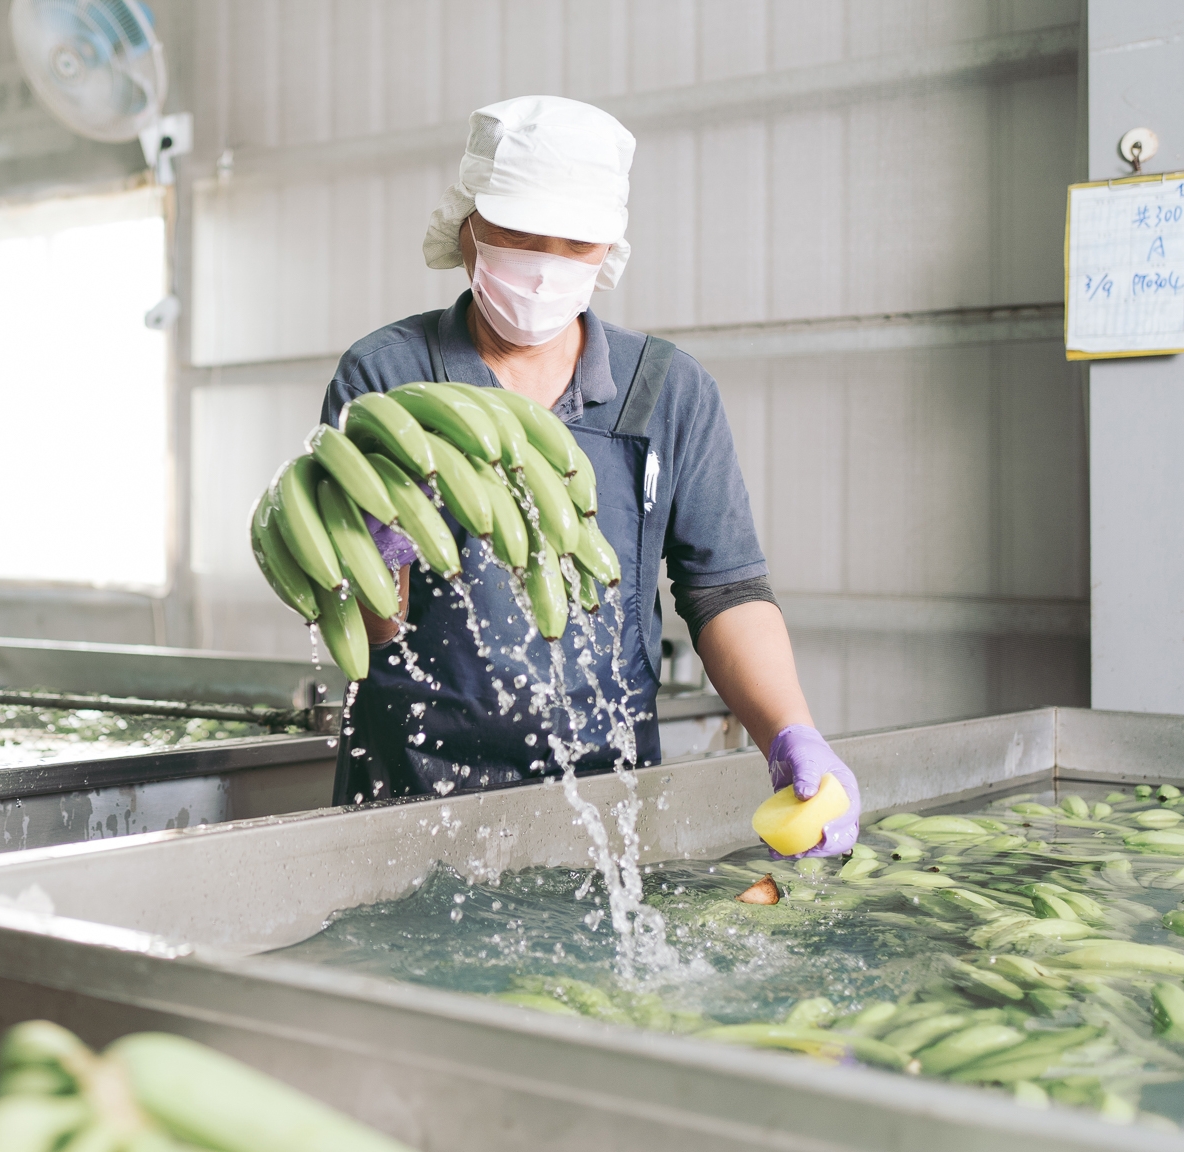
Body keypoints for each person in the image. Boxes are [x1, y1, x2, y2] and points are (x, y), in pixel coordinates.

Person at [321, 95, 858, 858]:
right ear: (467, 225)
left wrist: (791, 732)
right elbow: (367, 631)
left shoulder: (668, 391)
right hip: (409, 802)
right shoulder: (387, 379)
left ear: (608, 250)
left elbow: (724, 591)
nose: (544, 266)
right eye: (517, 234)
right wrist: (377, 552)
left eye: (575, 243)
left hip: (606, 805)